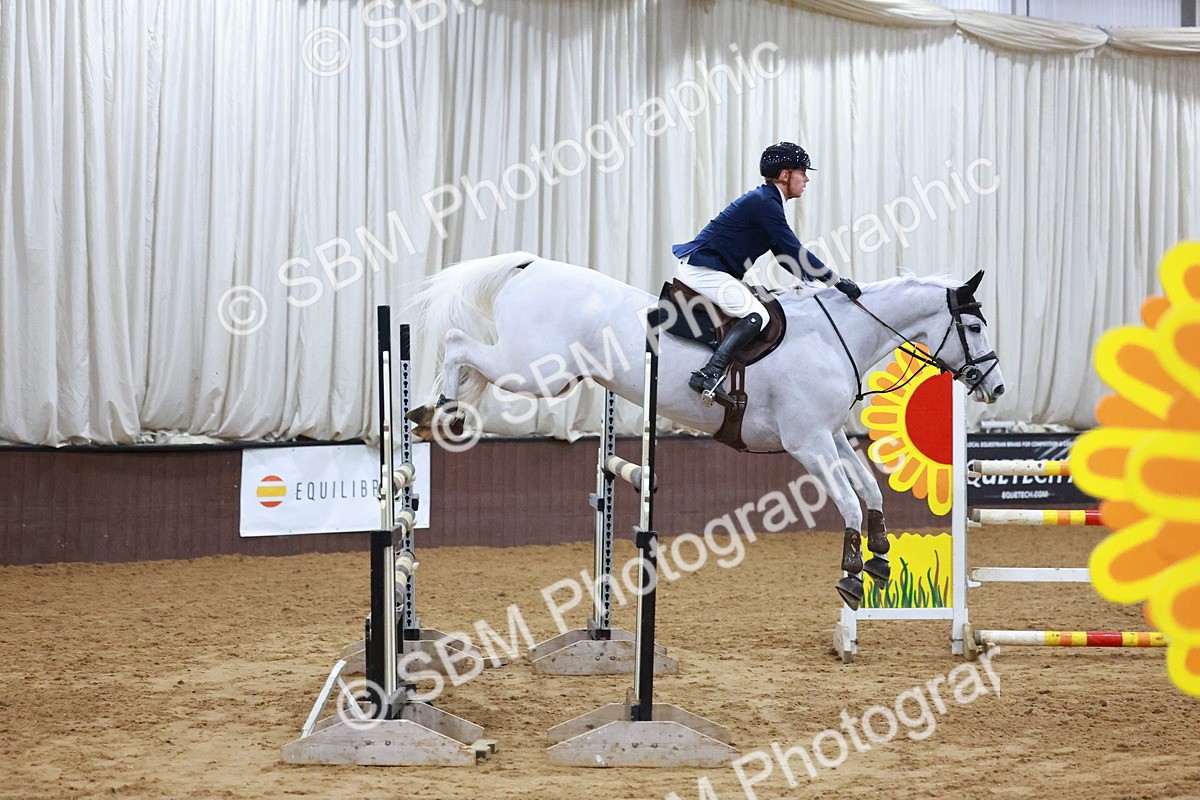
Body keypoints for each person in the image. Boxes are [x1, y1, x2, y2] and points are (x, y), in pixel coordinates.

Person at [672, 141, 861, 403]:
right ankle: (710, 373)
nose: (806, 179)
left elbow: (785, 257)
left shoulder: (768, 201)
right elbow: (794, 250)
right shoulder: (765, 203)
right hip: (703, 269)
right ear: (785, 175)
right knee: (756, 314)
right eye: (802, 172)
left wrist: (815, 286)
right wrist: (837, 281)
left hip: (710, 269)